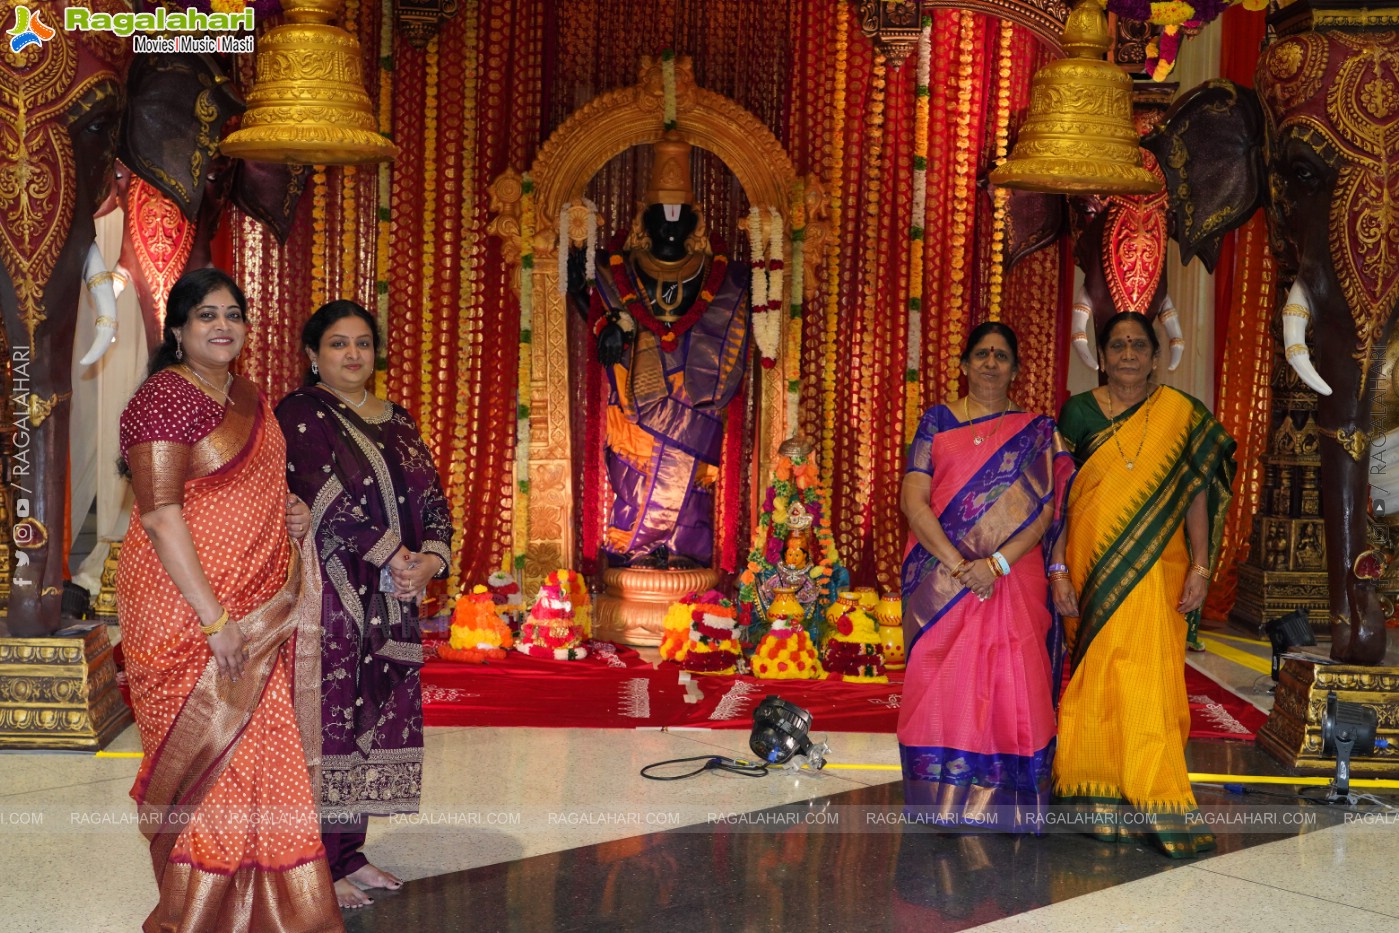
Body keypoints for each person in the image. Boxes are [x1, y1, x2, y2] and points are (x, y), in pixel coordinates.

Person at [116, 268, 342, 932]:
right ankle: (202, 913)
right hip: (185, 608)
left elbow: (263, 484)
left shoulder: (248, 393)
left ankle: (271, 908)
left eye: (233, 314)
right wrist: (215, 619)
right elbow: (160, 517)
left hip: (255, 604)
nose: (222, 326)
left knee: (260, 756)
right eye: (206, 314)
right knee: (204, 765)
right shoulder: (164, 398)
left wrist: (292, 510)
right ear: (180, 330)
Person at [275, 300, 454, 909]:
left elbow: (433, 498)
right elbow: (319, 497)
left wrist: (429, 559)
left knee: (372, 720)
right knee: (331, 724)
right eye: (337, 344)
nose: (353, 355)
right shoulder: (301, 414)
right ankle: (319, 861)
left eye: (363, 344)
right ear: (312, 356)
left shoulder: (399, 419)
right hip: (331, 594)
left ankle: (349, 852)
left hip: (395, 591)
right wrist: (393, 556)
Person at [1050, 310, 1236, 857]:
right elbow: (1058, 501)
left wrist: (1202, 568)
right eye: (1117, 345)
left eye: (1138, 345)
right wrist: (1058, 569)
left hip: (1160, 566)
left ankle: (1154, 795)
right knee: (1096, 675)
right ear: (1101, 357)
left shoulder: (1180, 415)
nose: (1128, 354)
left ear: (1156, 357)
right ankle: (1094, 792)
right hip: (1091, 569)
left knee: (1151, 678)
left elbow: (1196, 496)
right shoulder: (1078, 414)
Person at [896, 322, 1073, 829]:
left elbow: (1046, 510)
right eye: (981, 354)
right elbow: (914, 499)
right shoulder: (936, 421)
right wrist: (958, 566)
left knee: (1013, 676)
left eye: (1001, 355)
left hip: (1013, 575)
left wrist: (995, 564)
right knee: (938, 678)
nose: (991, 363)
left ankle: (1006, 803)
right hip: (942, 576)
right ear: (964, 364)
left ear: (1015, 369)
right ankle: (941, 801)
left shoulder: (1036, 430)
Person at [588, 131, 750, 568]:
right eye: (663, 213)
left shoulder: (723, 274)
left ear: (697, 221)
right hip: (635, 387)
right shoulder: (615, 268)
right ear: (645, 216)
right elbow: (600, 309)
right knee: (635, 474)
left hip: (695, 388)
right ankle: (634, 549)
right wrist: (610, 328)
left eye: (681, 215)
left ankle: (684, 554)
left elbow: (729, 320)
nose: (672, 223)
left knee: (689, 479)